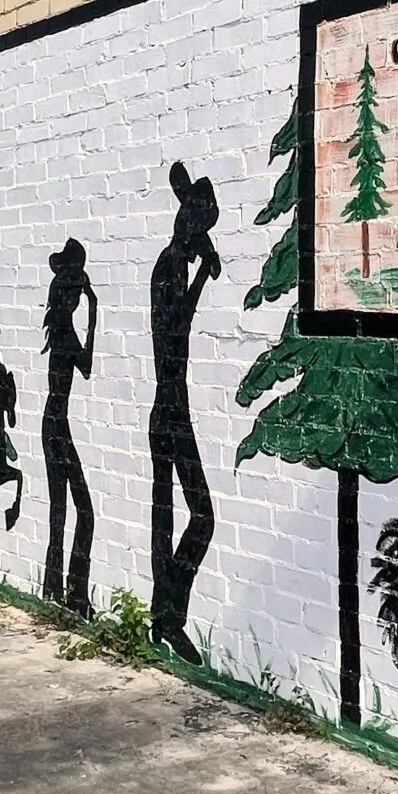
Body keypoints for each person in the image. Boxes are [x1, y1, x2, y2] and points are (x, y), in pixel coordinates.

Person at [148, 163, 220, 659]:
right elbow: (176, 332)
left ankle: (163, 615)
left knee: (171, 515)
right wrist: (200, 281)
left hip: (171, 406)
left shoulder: (173, 262)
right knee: (198, 516)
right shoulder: (171, 267)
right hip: (170, 405)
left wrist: (201, 265)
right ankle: (169, 617)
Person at [41, 239, 98, 613]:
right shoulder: (65, 332)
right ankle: (74, 595)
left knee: (62, 511)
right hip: (56, 428)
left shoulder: (61, 329)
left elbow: (85, 369)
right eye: (77, 291)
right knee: (83, 513)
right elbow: (88, 366)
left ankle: (56, 591)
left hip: (53, 425)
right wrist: (94, 315)